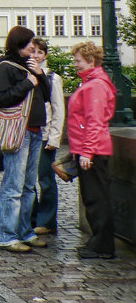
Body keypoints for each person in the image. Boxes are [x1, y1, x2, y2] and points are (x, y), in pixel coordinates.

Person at [0, 25, 48, 254]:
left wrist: (40, 75)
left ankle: (25, 231)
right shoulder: (6, 67)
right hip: (18, 130)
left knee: (28, 186)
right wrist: (28, 83)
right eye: (29, 46)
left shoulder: (30, 67)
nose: (33, 50)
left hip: (35, 130)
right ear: (18, 45)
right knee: (13, 185)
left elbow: (44, 95)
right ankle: (5, 235)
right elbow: (1, 98)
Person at [67, 41, 117, 260]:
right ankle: (98, 242)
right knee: (93, 196)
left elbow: (94, 121)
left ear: (90, 61)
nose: (76, 64)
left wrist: (87, 152)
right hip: (91, 148)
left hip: (93, 151)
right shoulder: (92, 82)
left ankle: (102, 245)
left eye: (78, 60)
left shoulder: (95, 85)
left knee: (96, 197)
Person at [29, 38, 64, 235]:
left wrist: (54, 138)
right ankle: (32, 217)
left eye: (40, 52)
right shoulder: (25, 74)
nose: (35, 55)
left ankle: (47, 221)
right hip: (29, 134)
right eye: (33, 51)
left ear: (45, 56)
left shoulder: (52, 78)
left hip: (45, 135)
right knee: (28, 180)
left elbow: (59, 110)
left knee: (46, 179)